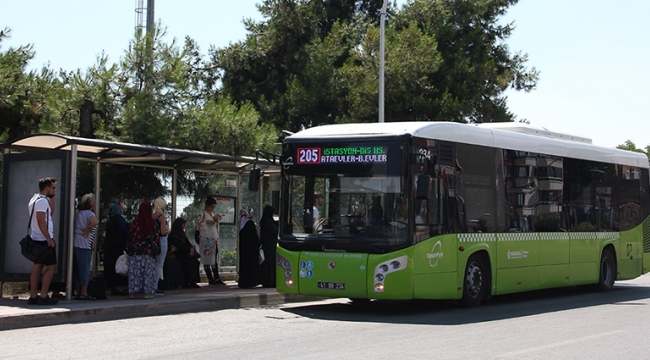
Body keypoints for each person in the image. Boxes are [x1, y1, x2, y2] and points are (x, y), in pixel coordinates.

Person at [27, 177, 59, 305]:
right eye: (53, 188)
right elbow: (41, 220)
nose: (54, 190)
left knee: (37, 266)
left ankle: (33, 295)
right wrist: (48, 238)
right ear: (46, 188)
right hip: (43, 240)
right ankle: (43, 295)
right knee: (50, 266)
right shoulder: (42, 201)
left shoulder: (35, 199)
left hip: (36, 237)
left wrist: (52, 203)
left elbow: (48, 216)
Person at [126, 201, 160, 299]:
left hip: (135, 251)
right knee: (148, 273)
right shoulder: (153, 223)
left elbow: (130, 236)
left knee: (135, 272)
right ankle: (147, 293)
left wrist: (129, 248)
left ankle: (132, 292)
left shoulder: (135, 222)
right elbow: (156, 237)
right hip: (148, 252)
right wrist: (157, 249)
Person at [72, 193, 99, 300]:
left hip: (75, 243)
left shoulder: (77, 213)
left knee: (77, 269)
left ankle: (77, 291)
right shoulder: (89, 213)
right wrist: (88, 228)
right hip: (84, 245)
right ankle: (84, 292)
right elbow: (95, 222)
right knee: (85, 269)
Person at [197, 197, 224, 285]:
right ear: (207, 206)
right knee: (206, 258)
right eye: (211, 207)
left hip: (213, 237)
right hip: (206, 238)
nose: (212, 209)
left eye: (214, 207)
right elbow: (199, 224)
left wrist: (216, 221)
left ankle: (216, 277)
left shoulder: (213, 213)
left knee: (214, 258)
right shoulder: (202, 213)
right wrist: (207, 222)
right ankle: (210, 278)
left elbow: (216, 225)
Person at [103, 201, 129, 295]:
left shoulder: (108, 220)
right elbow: (124, 231)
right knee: (119, 266)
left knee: (111, 266)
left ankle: (112, 285)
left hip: (109, 247)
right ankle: (119, 286)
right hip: (118, 247)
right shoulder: (119, 219)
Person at [167, 217, 200, 288]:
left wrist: (191, 249)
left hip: (185, 252)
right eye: (183, 224)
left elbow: (187, 243)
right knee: (187, 263)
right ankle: (186, 282)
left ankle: (192, 281)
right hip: (179, 253)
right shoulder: (173, 234)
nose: (184, 226)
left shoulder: (182, 233)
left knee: (195, 262)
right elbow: (178, 245)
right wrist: (188, 250)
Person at [238, 206, 261, 288]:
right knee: (250, 266)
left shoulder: (241, 223)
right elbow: (254, 235)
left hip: (244, 249)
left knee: (244, 266)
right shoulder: (249, 223)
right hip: (251, 249)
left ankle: (244, 282)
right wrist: (259, 243)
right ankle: (251, 282)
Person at [152, 197, 169, 294]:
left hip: (153, 240)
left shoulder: (152, 216)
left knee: (153, 264)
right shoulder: (162, 217)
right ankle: (155, 285)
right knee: (159, 264)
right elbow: (163, 231)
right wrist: (167, 230)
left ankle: (150, 284)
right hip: (161, 240)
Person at [259, 205, 278, 288]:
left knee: (267, 264)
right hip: (270, 246)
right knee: (270, 264)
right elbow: (275, 231)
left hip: (266, 245)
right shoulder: (269, 222)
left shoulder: (264, 221)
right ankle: (270, 281)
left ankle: (266, 280)